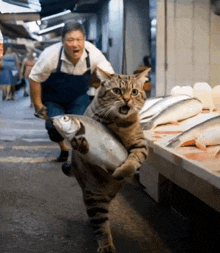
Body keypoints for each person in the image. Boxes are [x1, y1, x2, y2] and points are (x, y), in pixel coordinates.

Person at [29, 21, 114, 162]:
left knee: (81, 126)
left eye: (79, 40)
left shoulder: (93, 54)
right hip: (53, 97)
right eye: (70, 40)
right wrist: (38, 105)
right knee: (54, 127)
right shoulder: (50, 55)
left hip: (78, 96)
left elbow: (110, 78)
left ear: (84, 40)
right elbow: (34, 78)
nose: (75, 44)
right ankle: (63, 147)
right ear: (62, 41)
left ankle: (78, 157)